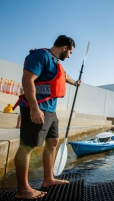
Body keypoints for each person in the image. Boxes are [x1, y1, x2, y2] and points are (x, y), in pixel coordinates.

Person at [14, 35, 81, 199]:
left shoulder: (56, 62)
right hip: (37, 108)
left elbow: (64, 76)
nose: (70, 56)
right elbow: (27, 79)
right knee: (27, 146)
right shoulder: (41, 55)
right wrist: (34, 108)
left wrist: (75, 83)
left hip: (51, 110)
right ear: (64, 47)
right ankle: (23, 190)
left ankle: (48, 179)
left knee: (52, 142)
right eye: (70, 52)